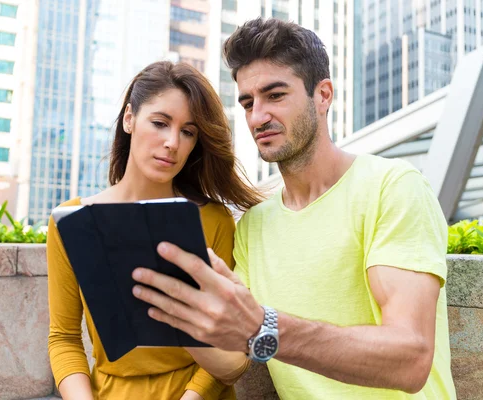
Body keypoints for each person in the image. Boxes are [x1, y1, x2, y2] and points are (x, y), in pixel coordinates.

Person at [131, 18, 457, 400]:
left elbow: (411, 358)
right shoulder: (254, 225)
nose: (257, 117)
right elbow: (234, 357)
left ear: (323, 95)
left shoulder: (392, 187)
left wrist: (263, 326)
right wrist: (174, 311)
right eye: (248, 102)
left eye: (275, 95)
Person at [47, 61, 260, 400]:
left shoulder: (214, 219)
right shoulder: (74, 220)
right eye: (160, 123)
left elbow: (230, 345)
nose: (172, 142)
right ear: (129, 118)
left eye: (188, 132)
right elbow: (64, 338)